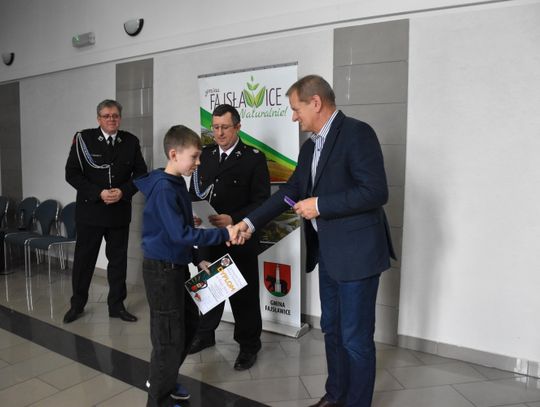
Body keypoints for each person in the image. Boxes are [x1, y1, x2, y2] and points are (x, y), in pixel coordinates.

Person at [233, 75, 395, 407]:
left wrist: (320, 205)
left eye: (296, 109)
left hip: (358, 257)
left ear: (316, 102)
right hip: (329, 256)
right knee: (331, 331)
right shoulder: (310, 147)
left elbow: (376, 191)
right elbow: (291, 192)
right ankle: (335, 396)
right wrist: (249, 223)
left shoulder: (357, 133)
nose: (294, 117)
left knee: (355, 339)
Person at [134, 125, 241, 407]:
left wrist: (195, 258)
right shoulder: (163, 189)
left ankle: (166, 380)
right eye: (194, 157)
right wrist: (224, 233)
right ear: (174, 154)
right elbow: (179, 234)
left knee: (189, 323)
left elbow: (177, 229)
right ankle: (158, 397)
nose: (198, 163)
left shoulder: (176, 182)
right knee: (168, 337)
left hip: (175, 266)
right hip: (161, 271)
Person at [188, 104, 270, 371]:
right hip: (208, 238)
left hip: (239, 239)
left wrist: (233, 218)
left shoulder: (253, 158)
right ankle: (205, 334)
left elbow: (262, 202)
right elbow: (194, 194)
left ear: (238, 127)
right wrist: (193, 216)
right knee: (208, 290)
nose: (219, 133)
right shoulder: (205, 156)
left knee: (244, 298)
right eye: (215, 127)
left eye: (225, 127)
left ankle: (249, 346)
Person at [64, 99, 148, 324]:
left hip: (118, 212)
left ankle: (117, 306)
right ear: (98, 118)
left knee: (118, 262)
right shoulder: (84, 139)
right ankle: (77, 305)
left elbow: (141, 174)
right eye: (106, 116)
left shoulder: (130, 141)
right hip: (90, 212)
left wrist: (123, 191)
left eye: (115, 116)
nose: (111, 119)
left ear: (120, 118)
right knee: (84, 262)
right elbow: (72, 174)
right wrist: (98, 193)